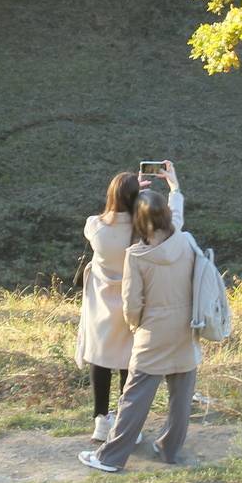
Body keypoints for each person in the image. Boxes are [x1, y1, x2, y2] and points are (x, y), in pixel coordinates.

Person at [79, 187, 200, 473]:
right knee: (181, 394)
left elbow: (132, 304)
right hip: (186, 329)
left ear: (139, 221)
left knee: (134, 397)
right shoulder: (186, 241)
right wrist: (175, 188)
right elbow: (178, 220)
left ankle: (110, 458)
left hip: (153, 332)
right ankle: (169, 449)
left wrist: (136, 326)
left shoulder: (137, 255)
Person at [77, 162, 183, 441]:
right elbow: (175, 223)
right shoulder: (144, 233)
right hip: (133, 303)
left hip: (101, 304)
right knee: (129, 361)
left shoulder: (95, 226)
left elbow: (104, 216)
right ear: (136, 198)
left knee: (100, 360)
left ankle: (101, 421)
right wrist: (174, 189)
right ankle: (126, 425)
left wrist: (128, 190)